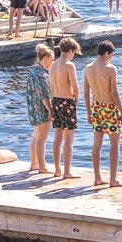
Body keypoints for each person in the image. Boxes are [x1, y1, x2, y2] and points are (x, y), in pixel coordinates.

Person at [82, 41, 122, 187]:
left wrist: (88, 113)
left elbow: (86, 94)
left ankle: (97, 178)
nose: (111, 58)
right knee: (115, 144)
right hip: (110, 109)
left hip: (96, 108)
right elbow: (114, 92)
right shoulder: (110, 69)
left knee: (97, 144)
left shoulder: (87, 69)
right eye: (111, 55)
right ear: (106, 53)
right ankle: (113, 179)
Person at [49, 36, 80, 178]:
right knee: (69, 139)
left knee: (57, 138)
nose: (74, 56)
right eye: (74, 53)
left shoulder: (53, 65)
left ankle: (57, 170)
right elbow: (75, 87)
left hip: (55, 101)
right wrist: (76, 99)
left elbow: (51, 87)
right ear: (71, 50)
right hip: (67, 101)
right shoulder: (68, 65)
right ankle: (67, 171)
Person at [25, 43, 55, 174]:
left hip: (32, 107)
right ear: (46, 58)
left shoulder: (33, 71)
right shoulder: (42, 75)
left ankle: (34, 164)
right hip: (41, 108)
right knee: (42, 139)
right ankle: (42, 167)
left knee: (36, 137)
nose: (52, 62)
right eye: (52, 59)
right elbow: (45, 96)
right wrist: (50, 110)